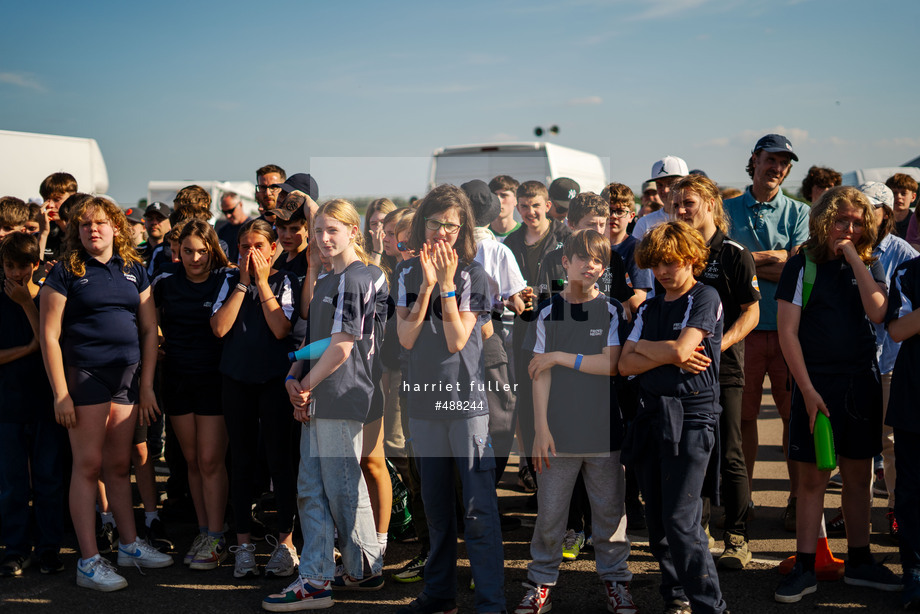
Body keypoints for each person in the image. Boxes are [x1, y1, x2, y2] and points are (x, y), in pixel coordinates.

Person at [40, 196, 174, 592]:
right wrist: (60, 394)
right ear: (76, 232)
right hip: (85, 377)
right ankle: (89, 560)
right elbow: (49, 335)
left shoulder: (134, 269)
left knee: (119, 465)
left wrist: (146, 385)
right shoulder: (65, 271)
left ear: (116, 226)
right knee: (88, 466)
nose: (92, 230)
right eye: (84, 225)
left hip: (128, 380)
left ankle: (130, 545)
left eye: (99, 223)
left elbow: (150, 330)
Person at [773, 186, 900, 603]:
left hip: (861, 382)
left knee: (859, 477)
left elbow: (879, 312)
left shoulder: (871, 262)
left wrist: (854, 259)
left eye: (858, 222)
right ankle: (806, 567)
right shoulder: (801, 264)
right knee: (812, 478)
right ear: (824, 220)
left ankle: (860, 562)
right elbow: (787, 333)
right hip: (818, 384)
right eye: (841, 220)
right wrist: (807, 392)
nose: (848, 228)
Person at [262, 199, 384, 611]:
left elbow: (343, 348)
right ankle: (334, 573)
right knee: (313, 487)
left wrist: (305, 386)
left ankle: (351, 569)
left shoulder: (361, 276)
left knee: (338, 489)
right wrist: (293, 379)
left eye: (333, 230)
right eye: (319, 231)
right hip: (319, 395)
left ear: (354, 232)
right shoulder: (329, 281)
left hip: (343, 395)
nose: (324, 238)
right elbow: (311, 343)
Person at [395, 184, 504, 614]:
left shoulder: (474, 274)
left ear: (464, 231)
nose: (443, 233)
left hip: (466, 404)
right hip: (423, 403)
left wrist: (445, 285)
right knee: (436, 507)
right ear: (424, 223)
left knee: (478, 509)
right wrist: (425, 286)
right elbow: (405, 338)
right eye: (437, 223)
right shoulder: (404, 274)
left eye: (453, 227)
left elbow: (459, 339)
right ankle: (439, 594)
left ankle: (491, 600)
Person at [514, 229, 635, 614]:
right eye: (581, 258)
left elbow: (613, 365)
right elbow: (538, 372)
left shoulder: (612, 309)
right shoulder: (548, 310)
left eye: (598, 260)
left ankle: (616, 584)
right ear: (565, 263)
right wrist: (540, 430)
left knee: (609, 519)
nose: (590, 265)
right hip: (558, 435)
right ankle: (540, 584)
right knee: (550, 519)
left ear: (604, 268)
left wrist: (560, 356)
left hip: (603, 433)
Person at [619, 220, 728, 614]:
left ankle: (710, 605)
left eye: (672, 263)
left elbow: (684, 351)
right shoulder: (649, 307)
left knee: (683, 521)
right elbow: (624, 365)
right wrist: (664, 352)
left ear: (692, 259)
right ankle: (676, 596)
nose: (664, 271)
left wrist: (648, 352)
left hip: (693, 419)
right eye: (657, 265)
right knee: (660, 525)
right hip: (651, 418)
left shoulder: (706, 296)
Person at [671, 174, 761, 569]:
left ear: (709, 202)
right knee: (693, 453)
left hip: (722, 369)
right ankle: (699, 529)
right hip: (683, 368)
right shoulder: (676, 250)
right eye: (676, 205)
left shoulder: (733, 253)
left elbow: (752, 312)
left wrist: (715, 347)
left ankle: (738, 535)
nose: (681, 211)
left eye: (688, 203)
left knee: (730, 452)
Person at [723, 133, 810, 530]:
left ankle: (796, 498)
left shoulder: (799, 212)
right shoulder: (726, 210)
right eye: (770, 159)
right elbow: (721, 266)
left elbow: (799, 268)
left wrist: (745, 263)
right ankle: (745, 500)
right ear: (754, 160)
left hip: (790, 330)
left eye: (783, 162)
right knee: (744, 419)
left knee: (795, 419)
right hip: (743, 330)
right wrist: (773, 259)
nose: (776, 167)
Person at [210, 219, 301, 579]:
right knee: (242, 462)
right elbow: (219, 328)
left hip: (275, 382)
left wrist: (262, 283)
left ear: (273, 248)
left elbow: (282, 328)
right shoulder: (229, 281)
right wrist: (244, 282)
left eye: (258, 246)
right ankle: (244, 543)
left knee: (281, 462)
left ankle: (286, 543)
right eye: (244, 246)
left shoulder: (287, 281)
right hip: (236, 380)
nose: (251, 253)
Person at [153, 220, 231, 570]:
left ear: (212, 249)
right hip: (178, 381)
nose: (195, 258)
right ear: (177, 252)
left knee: (212, 461)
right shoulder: (165, 283)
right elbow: (147, 325)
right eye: (187, 251)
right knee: (193, 462)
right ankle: (204, 531)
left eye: (202, 250)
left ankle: (217, 535)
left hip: (214, 381)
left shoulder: (226, 279)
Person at [0, 233, 67, 577]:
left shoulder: (50, 296)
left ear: (36, 264)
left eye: (23, 266)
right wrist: (26, 349)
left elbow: (50, 343)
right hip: (7, 406)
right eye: (9, 266)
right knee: (12, 484)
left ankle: (48, 548)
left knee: (48, 480)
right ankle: (14, 549)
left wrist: (27, 303)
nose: (15, 273)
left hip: (46, 404)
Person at [504, 180, 572, 496]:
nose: (529, 212)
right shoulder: (510, 242)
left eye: (535, 205)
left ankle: (561, 488)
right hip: (523, 334)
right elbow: (500, 288)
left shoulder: (566, 239)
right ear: (517, 207)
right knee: (528, 409)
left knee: (559, 408)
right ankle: (536, 479)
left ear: (548, 205)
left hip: (560, 334)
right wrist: (513, 298)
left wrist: (545, 294)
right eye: (524, 206)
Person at [884, 229, 920, 610]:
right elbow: (897, 329)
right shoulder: (908, 272)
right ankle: (914, 572)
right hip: (913, 401)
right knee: (911, 493)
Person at [631, 156, 689, 239]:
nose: (665, 190)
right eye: (659, 185)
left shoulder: (695, 218)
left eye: (671, 183)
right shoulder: (644, 223)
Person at [38, 172, 77, 262]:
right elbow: (35, 269)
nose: (50, 205)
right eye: (46, 200)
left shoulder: (83, 232)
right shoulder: (45, 231)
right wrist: (42, 234)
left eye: (57, 200)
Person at [216, 192, 252, 264]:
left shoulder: (253, 228)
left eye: (231, 210)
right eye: (225, 212)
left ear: (240, 205)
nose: (228, 216)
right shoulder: (223, 231)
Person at [365, 197, 397, 269]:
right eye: (374, 224)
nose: (379, 227)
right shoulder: (364, 251)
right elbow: (370, 278)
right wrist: (377, 251)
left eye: (383, 222)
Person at [886, 173, 918, 241]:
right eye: (894, 193)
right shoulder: (882, 222)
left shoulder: (917, 223)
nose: (899, 197)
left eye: (903, 193)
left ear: (913, 197)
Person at [488, 175, 521, 241]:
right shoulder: (482, 234)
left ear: (516, 200)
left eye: (504, 195)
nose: (498, 200)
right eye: (494, 195)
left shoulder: (525, 233)